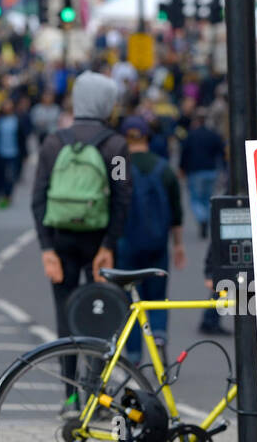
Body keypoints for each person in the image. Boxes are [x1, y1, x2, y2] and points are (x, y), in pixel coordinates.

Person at [31, 72, 132, 350]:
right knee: (101, 317)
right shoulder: (116, 146)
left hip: (61, 240)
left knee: (64, 319)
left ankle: (71, 392)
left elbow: (38, 197)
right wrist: (109, 244)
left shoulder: (53, 143)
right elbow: (123, 197)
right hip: (99, 240)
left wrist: (47, 248)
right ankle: (95, 384)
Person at [118, 115, 186, 360]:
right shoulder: (163, 166)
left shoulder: (119, 164)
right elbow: (176, 212)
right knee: (158, 297)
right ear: (148, 136)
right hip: (157, 243)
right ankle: (158, 337)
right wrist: (178, 245)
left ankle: (134, 355)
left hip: (126, 244)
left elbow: (112, 203)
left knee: (131, 303)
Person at [178, 107, 226, 239]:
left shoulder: (191, 135)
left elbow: (184, 153)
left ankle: (202, 218)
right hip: (211, 170)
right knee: (207, 198)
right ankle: (206, 218)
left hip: (195, 171)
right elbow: (222, 152)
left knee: (195, 199)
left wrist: (181, 168)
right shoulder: (213, 134)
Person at [0, 97, 25, 207]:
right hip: (1, 152)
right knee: (1, 175)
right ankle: (3, 194)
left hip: (14, 152)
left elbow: (22, 137)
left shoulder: (17, 120)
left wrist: (24, 153)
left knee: (11, 176)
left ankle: (9, 195)